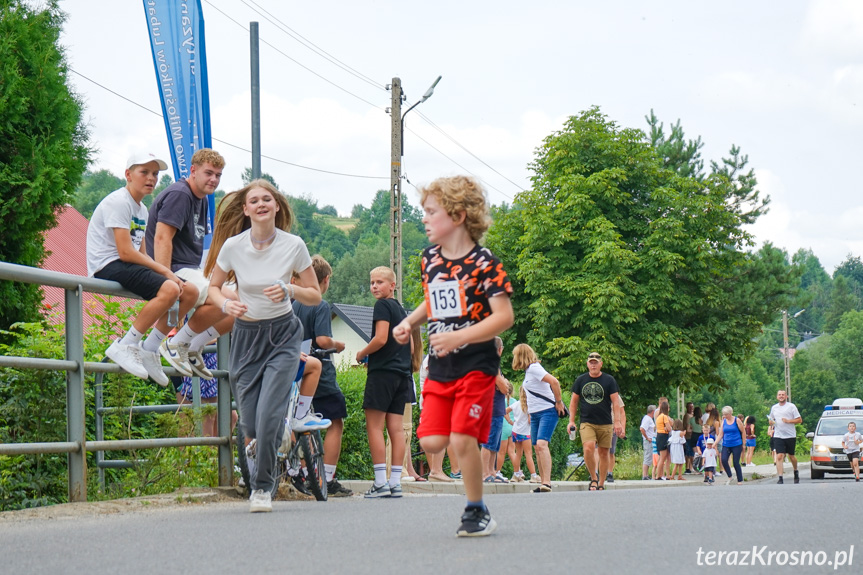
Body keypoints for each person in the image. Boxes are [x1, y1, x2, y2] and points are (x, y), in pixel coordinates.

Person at [392, 175, 514, 537]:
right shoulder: (430, 258)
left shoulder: (484, 262)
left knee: (461, 438)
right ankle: (457, 434)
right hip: (441, 365)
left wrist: (460, 334)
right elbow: (434, 298)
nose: (425, 219)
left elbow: (504, 316)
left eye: (431, 212)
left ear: (458, 216)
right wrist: (409, 321)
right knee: (430, 441)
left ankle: (477, 510)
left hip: (477, 362)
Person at [204, 179, 327, 513]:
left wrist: (290, 289)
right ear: (246, 210)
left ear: (276, 206)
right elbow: (213, 287)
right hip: (246, 336)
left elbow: (315, 295)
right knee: (251, 424)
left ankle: (261, 489)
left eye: (267, 199)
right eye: (254, 200)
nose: (260, 204)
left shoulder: (293, 245)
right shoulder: (233, 247)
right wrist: (227, 305)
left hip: (283, 334)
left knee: (270, 412)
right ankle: (273, 440)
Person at [86, 152, 187, 386]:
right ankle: (125, 344)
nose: (151, 178)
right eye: (144, 172)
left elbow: (141, 253)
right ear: (128, 175)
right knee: (170, 289)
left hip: (126, 263)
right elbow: (125, 252)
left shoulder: (141, 210)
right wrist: (166, 272)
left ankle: (151, 349)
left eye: (155, 174)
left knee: (186, 292)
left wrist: (166, 273)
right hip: (108, 264)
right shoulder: (119, 202)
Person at [145, 149, 233, 380]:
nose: (213, 179)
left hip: (191, 269)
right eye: (209, 173)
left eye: (218, 175)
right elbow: (162, 237)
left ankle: (193, 347)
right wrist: (166, 280)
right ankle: (176, 343)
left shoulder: (201, 198)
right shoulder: (181, 194)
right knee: (224, 301)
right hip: (175, 269)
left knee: (242, 307)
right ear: (193, 171)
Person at [291, 255, 353, 497]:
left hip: (297, 368)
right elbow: (323, 340)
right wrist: (338, 344)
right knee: (335, 421)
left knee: (301, 420)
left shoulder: (295, 303)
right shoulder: (320, 305)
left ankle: (305, 474)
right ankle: (327, 476)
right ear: (325, 280)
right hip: (321, 371)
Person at [356, 266, 412, 499]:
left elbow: (380, 338)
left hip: (382, 373)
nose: (374, 286)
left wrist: (361, 353)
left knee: (374, 427)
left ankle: (380, 482)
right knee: (396, 430)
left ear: (393, 285)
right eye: (372, 282)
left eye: (380, 282)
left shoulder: (382, 306)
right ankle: (395, 482)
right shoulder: (401, 309)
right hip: (402, 374)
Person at [569, 352, 625, 491]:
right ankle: (593, 477)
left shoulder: (609, 380)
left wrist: (617, 422)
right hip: (587, 421)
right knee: (588, 448)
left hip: (605, 422)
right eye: (591, 362)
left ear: (601, 364)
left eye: (596, 362)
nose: (593, 364)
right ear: (587, 364)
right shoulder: (581, 380)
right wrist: (571, 421)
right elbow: (573, 402)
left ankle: (601, 482)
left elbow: (616, 403)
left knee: (604, 452)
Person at [512, 343, 564, 493]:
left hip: (547, 411)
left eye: (516, 355)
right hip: (534, 414)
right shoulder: (529, 371)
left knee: (542, 444)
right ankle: (543, 481)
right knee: (536, 447)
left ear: (521, 356)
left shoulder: (534, 368)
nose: (514, 358)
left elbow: (554, 381)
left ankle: (547, 482)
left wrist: (559, 401)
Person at [481, 337, 511, 483]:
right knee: (488, 443)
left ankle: (491, 471)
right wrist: (503, 382)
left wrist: (501, 384)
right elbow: (505, 388)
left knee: (494, 443)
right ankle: (484, 473)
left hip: (496, 409)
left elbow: (502, 386)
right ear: (500, 349)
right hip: (491, 409)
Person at [768, 389, 802, 484]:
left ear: (786, 396)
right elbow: (771, 419)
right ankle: (780, 477)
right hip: (778, 435)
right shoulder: (774, 408)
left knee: (791, 456)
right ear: (777, 397)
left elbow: (799, 420)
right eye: (779, 395)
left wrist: (788, 421)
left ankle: (795, 471)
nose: (781, 396)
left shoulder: (791, 407)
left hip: (790, 435)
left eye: (783, 395)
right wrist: (771, 422)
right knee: (779, 456)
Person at [507, 386, 539, 483]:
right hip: (525, 432)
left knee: (518, 454)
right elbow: (529, 420)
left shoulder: (516, 404)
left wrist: (510, 421)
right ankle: (533, 475)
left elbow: (504, 411)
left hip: (516, 431)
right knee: (528, 454)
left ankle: (516, 474)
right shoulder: (528, 406)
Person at [713, 405, 745, 486]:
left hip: (736, 444)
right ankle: (730, 476)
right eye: (723, 414)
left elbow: (743, 432)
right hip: (726, 444)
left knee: (735, 462)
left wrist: (744, 444)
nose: (724, 416)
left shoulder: (736, 420)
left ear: (730, 413)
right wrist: (715, 443)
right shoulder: (724, 421)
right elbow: (720, 434)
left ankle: (740, 479)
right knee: (723, 460)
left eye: (726, 414)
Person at [653, 401, 672, 480]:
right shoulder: (664, 416)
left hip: (659, 436)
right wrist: (667, 427)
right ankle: (659, 475)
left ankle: (666, 475)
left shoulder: (659, 417)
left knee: (664, 457)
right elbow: (669, 428)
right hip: (663, 436)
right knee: (662, 457)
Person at [639, 404, 657, 480]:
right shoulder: (647, 419)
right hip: (648, 441)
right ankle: (644, 475)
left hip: (650, 440)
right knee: (647, 457)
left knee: (649, 457)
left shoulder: (648, 419)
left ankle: (646, 474)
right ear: (653, 412)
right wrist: (647, 438)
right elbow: (642, 429)